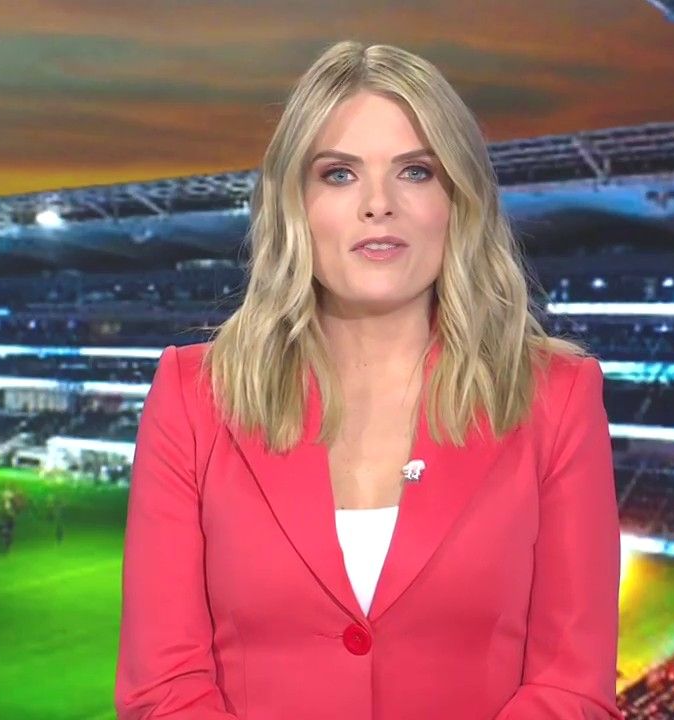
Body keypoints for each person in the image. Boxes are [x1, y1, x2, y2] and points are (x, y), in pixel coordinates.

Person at [115, 40, 622, 720]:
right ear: (294, 204)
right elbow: (162, 688)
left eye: (416, 171)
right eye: (339, 174)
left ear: (459, 199)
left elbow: (572, 687)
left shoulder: (557, 396)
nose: (379, 204)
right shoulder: (193, 397)